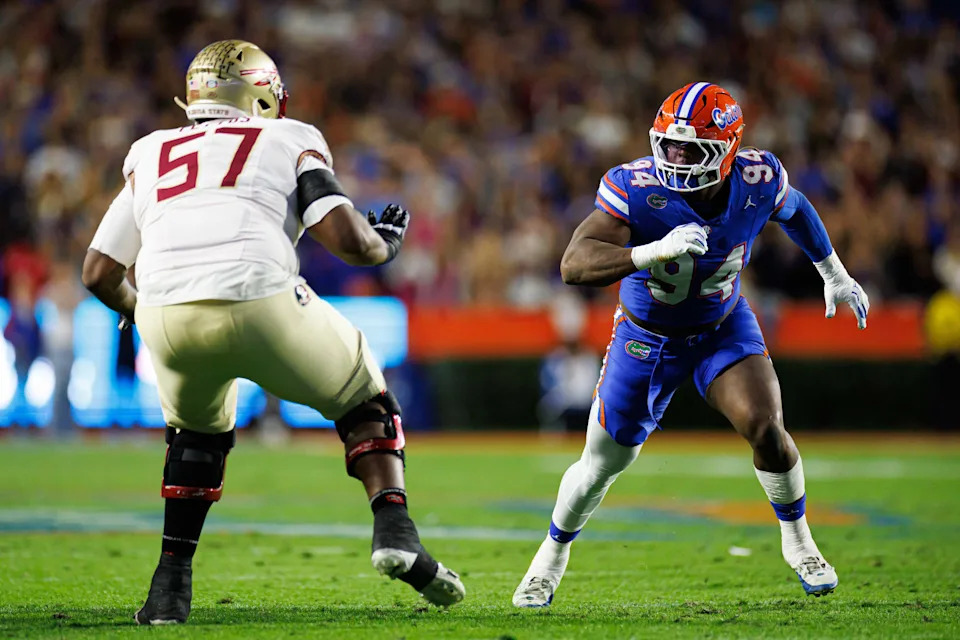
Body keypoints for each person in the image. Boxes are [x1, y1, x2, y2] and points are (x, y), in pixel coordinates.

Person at [81, 40, 464, 625]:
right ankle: (395, 529)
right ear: (262, 94)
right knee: (365, 399)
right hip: (259, 296)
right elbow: (344, 237)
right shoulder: (289, 136)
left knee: (195, 437)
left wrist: (142, 310)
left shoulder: (149, 150)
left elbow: (99, 272)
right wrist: (384, 243)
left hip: (166, 316)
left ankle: (169, 588)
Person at [513, 82, 869, 607]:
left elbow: (794, 209)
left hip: (722, 327)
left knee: (766, 425)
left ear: (726, 151)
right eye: (669, 145)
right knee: (601, 463)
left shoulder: (757, 178)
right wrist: (649, 251)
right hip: (645, 339)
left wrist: (832, 271)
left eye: (691, 148)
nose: (675, 158)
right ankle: (552, 555)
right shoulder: (633, 187)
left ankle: (800, 542)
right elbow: (573, 263)